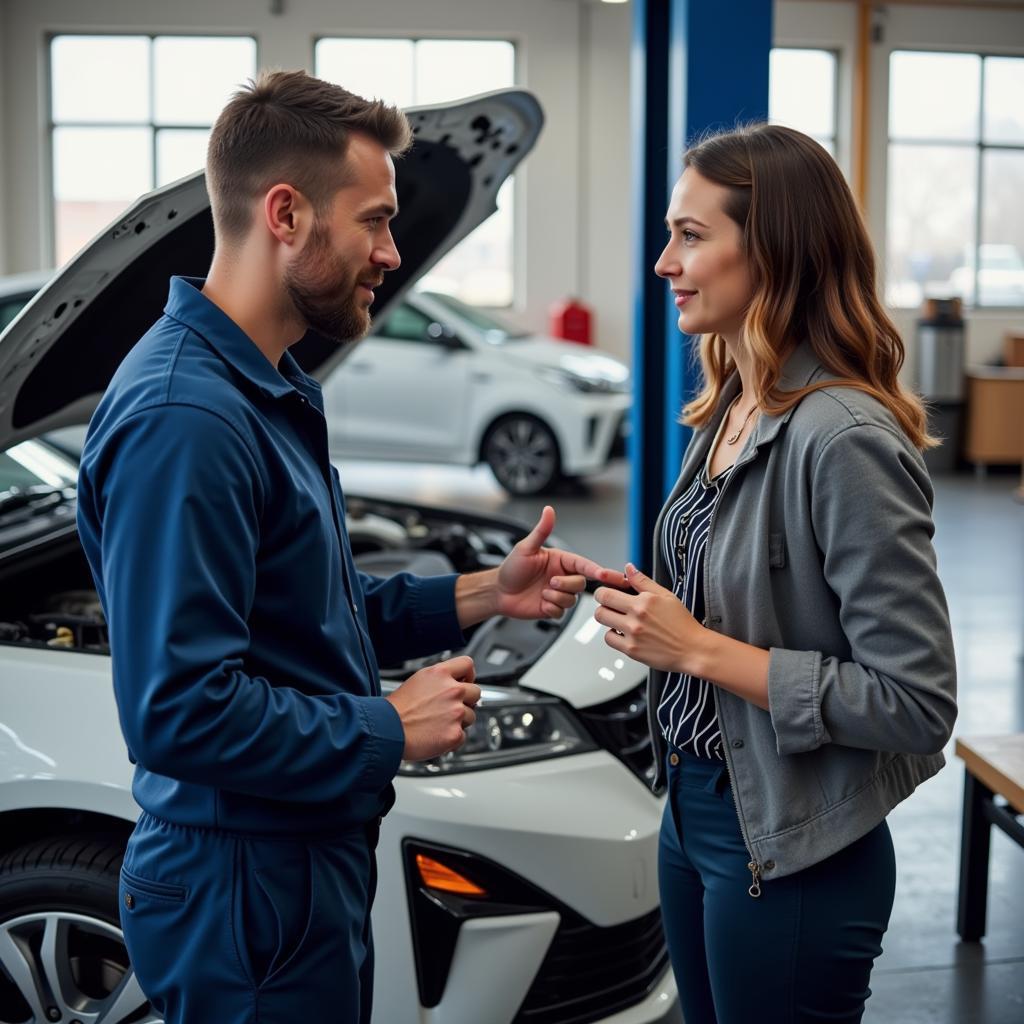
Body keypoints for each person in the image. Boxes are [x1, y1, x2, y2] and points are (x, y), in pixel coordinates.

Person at [77, 70, 607, 1024]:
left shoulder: (265, 387)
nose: (393, 253)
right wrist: (387, 728)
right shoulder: (185, 419)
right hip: (244, 888)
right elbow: (177, 712)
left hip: (292, 869)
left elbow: (307, 611)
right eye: (375, 220)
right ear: (286, 213)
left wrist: (488, 591)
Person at [591, 123, 957, 1024]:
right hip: (696, 804)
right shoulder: (733, 404)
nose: (663, 262)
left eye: (690, 234)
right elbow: (748, 600)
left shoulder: (845, 440)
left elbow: (916, 701)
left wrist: (700, 649)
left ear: (776, 249)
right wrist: (642, 606)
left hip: (792, 846)